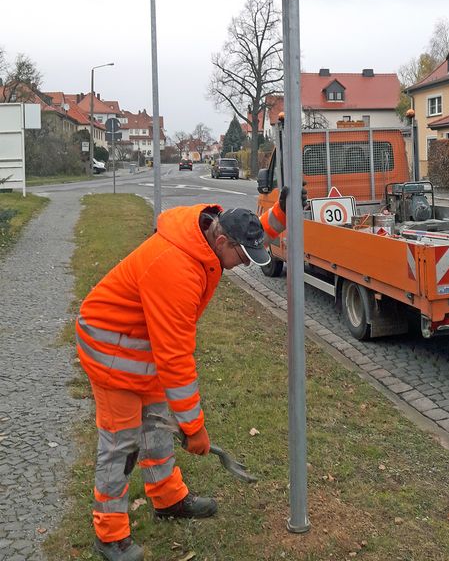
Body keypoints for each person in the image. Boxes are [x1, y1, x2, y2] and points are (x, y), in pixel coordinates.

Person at [76, 188, 299, 561]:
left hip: (140, 344)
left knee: (156, 427)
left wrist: (281, 213)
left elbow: (253, 232)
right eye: (243, 256)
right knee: (122, 444)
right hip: (111, 348)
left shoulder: (207, 233)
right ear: (222, 242)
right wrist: (194, 428)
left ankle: (167, 499)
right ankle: (110, 534)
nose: (245, 264)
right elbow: (175, 359)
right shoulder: (176, 269)